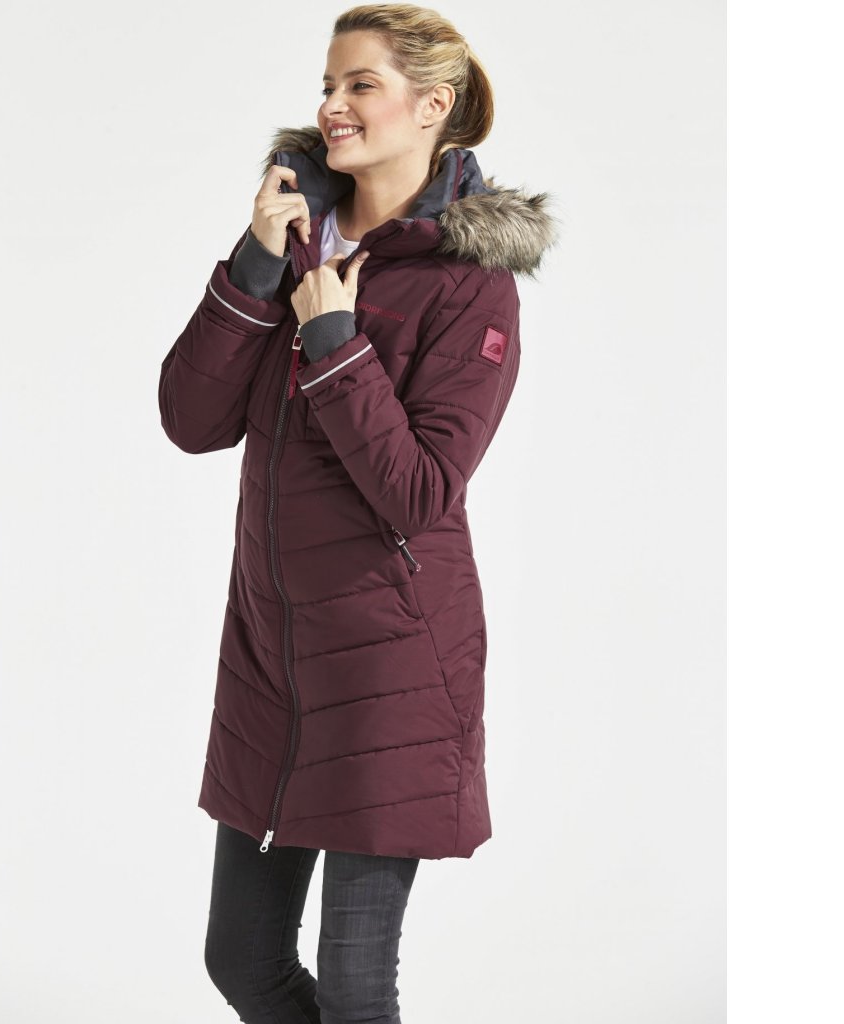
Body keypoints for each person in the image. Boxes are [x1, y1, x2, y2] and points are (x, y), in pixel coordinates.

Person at [158, 4, 557, 1021]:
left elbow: (419, 491)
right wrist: (255, 266)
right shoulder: (295, 242)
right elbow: (192, 421)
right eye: (328, 86)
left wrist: (335, 342)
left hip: (390, 667)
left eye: (360, 85)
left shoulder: (471, 286)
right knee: (241, 959)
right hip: (272, 658)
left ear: (432, 106)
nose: (332, 106)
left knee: (353, 986)